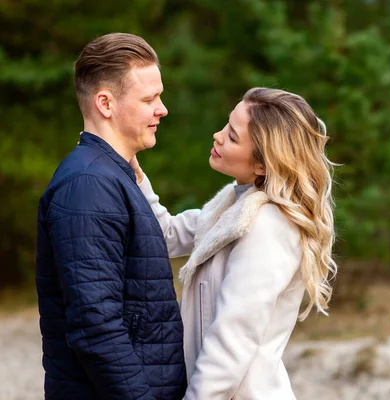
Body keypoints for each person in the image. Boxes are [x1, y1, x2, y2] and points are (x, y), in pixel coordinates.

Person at [131, 87, 338, 399]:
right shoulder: (232, 205)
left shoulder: (269, 227)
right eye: (226, 125)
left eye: (231, 136)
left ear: (262, 165)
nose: (217, 135)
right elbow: (166, 235)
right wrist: (131, 171)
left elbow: (233, 339)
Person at [35, 33, 186, 400]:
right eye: (149, 99)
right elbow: (96, 328)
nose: (162, 109)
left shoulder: (111, 176)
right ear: (105, 102)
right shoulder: (89, 186)